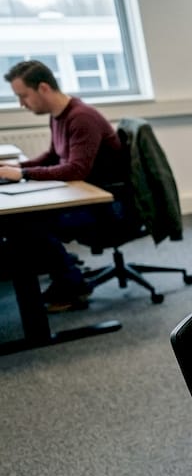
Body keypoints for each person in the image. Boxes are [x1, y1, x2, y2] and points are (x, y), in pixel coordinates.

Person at [1, 60, 127, 312]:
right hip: (80, 194)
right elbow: (53, 157)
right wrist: (13, 169)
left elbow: (76, 169)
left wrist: (23, 173)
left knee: (26, 224)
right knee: (21, 220)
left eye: (23, 96)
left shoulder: (81, 118)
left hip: (103, 206)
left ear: (44, 88)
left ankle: (72, 286)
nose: (21, 104)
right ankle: (64, 269)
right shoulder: (59, 115)